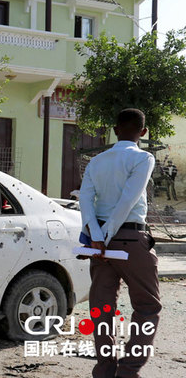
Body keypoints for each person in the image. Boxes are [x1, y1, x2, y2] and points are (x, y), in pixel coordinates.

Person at [79, 108, 160, 378]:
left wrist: (98, 237)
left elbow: (85, 200)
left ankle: (104, 371)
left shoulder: (97, 161)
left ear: (115, 130)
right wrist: (107, 234)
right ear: (143, 132)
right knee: (147, 307)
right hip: (131, 240)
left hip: (99, 245)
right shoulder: (143, 158)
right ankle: (127, 371)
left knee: (101, 309)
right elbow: (128, 199)